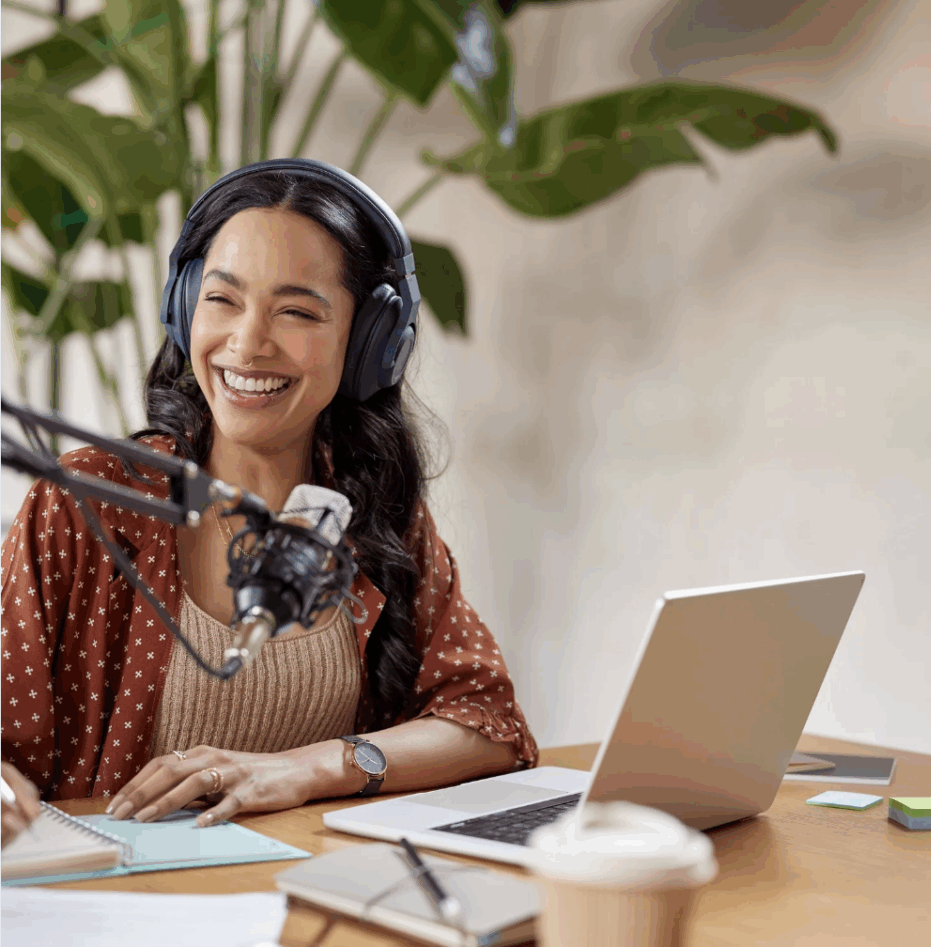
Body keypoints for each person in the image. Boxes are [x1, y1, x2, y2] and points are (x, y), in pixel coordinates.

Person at [1, 159, 536, 838]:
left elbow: (489, 724)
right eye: (222, 300)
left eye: (297, 311)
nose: (247, 344)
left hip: (320, 906)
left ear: (369, 340)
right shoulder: (90, 504)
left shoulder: (366, 513)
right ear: (184, 308)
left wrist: (310, 767)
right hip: (121, 910)